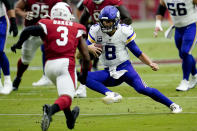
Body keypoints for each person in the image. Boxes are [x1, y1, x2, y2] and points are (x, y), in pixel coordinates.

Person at [78, 5, 182, 113]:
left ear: (116, 21)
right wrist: (86, 47)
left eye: (109, 21)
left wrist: (150, 63)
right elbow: (79, 55)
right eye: (104, 21)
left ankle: (173, 105)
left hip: (125, 69)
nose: (106, 24)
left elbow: (137, 52)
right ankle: (111, 94)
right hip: (108, 71)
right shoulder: (95, 30)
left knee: (143, 89)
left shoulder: (124, 30)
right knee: (84, 77)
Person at [11, 2, 90, 131]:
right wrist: (84, 77)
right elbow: (86, 57)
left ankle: (70, 118)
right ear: (67, 14)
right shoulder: (77, 27)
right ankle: (50, 110)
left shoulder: (46, 23)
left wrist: (19, 44)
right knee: (67, 98)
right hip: (65, 65)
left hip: (49, 67)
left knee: (63, 93)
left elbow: (28, 30)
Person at [75, 0, 132, 98]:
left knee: (115, 60)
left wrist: (115, 31)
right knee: (85, 56)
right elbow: (83, 19)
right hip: (98, 36)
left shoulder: (111, 1)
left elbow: (127, 18)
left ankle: (125, 75)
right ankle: (82, 87)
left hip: (112, 36)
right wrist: (81, 31)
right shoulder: (89, 3)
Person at [12, 0, 68, 91]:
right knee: (25, 60)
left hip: (48, 30)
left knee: (58, 54)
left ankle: (50, 77)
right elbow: (17, 8)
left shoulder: (55, 1)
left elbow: (65, 8)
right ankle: (18, 78)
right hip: (31, 32)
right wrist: (24, 14)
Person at [154, 0, 197, 91]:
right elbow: (161, 8)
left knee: (185, 52)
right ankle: (195, 75)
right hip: (178, 28)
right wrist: (158, 24)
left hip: (192, 26)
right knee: (183, 54)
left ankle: (185, 81)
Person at [0, 0, 18, 95]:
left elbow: (9, 3)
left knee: (0, 51)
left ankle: (7, 81)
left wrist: (13, 22)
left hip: (1, 21)